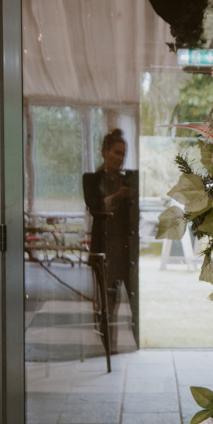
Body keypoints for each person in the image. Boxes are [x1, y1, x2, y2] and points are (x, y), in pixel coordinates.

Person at [82, 128, 139, 344]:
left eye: (123, 154)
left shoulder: (130, 180)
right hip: (105, 251)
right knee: (108, 305)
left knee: (135, 304)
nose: (120, 158)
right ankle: (109, 351)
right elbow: (96, 208)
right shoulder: (91, 179)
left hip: (127, 251)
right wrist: (120, 195)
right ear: (104, 152)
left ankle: (137, 346)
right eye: (116, 152)